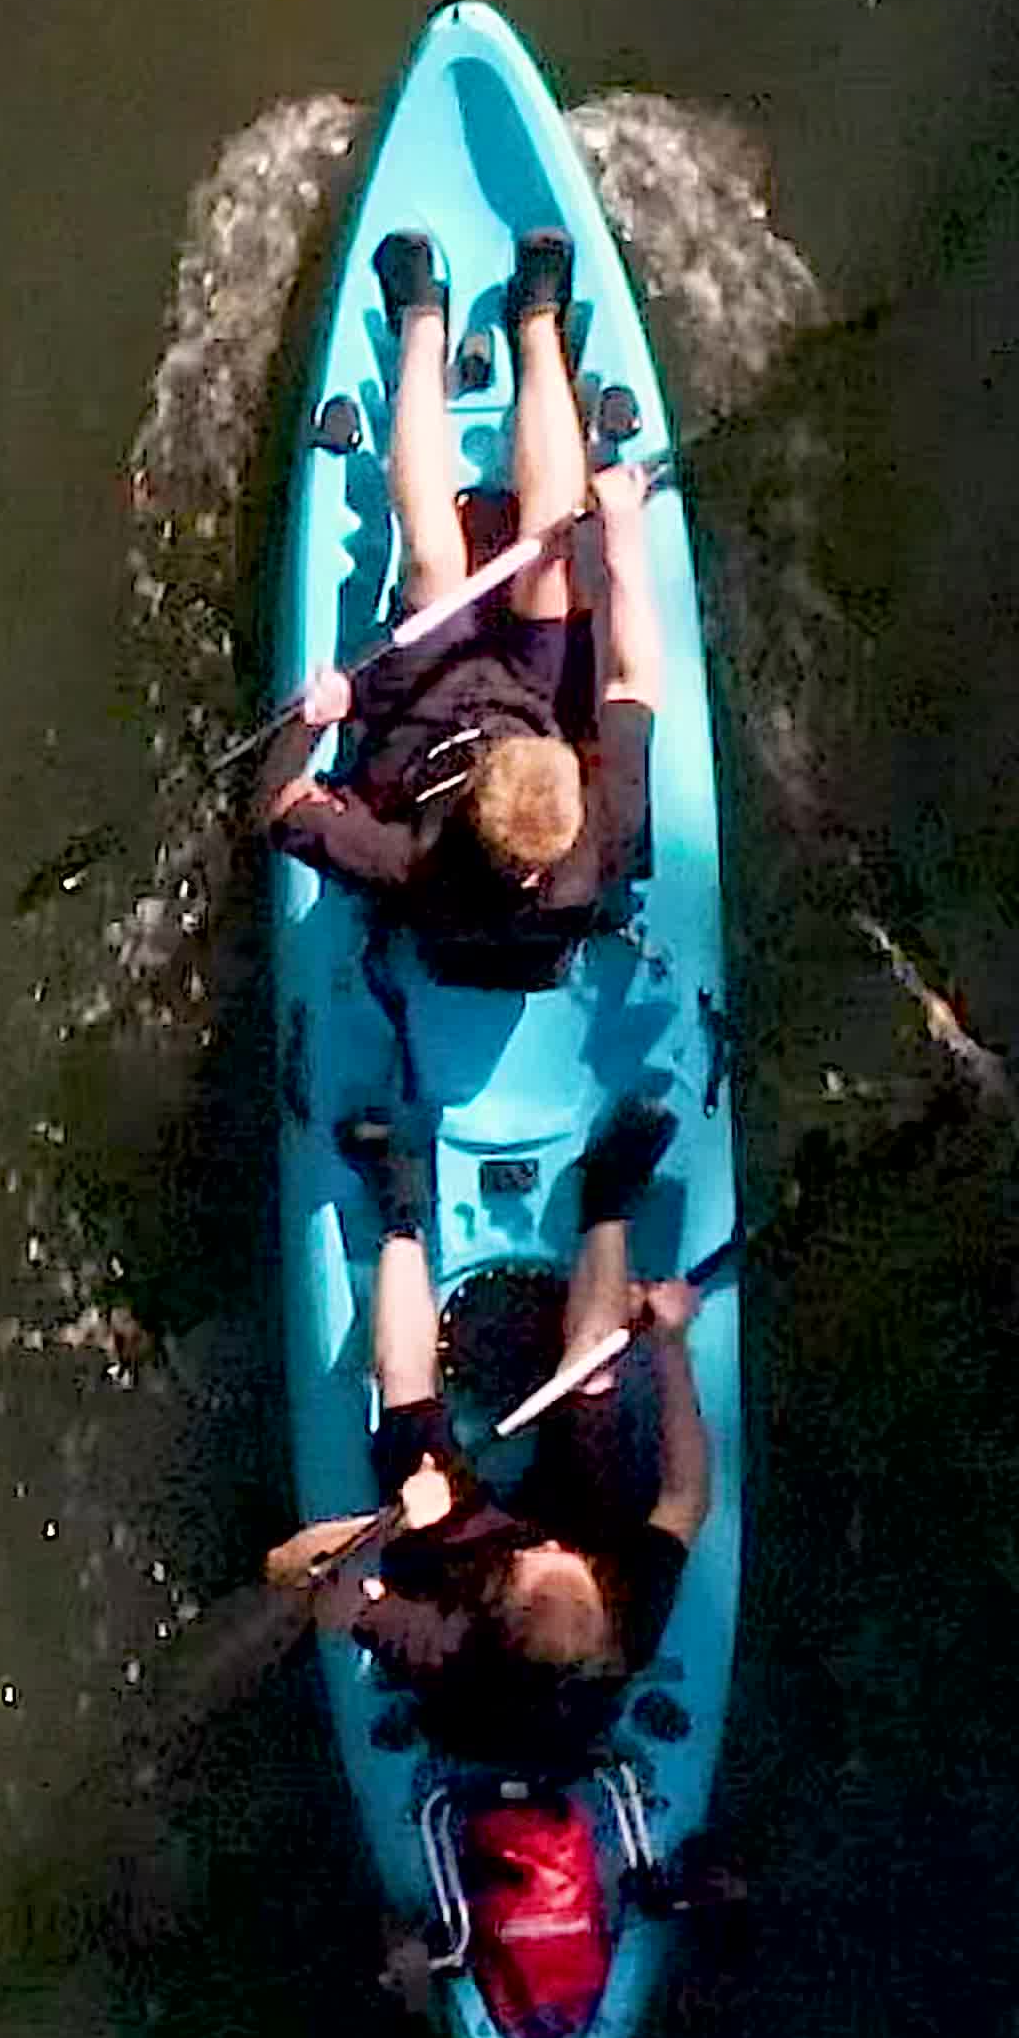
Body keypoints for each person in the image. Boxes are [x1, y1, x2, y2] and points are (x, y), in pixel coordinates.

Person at [253, 226, 663, 988]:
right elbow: (632, 672)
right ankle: (536, 323)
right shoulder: (606, 829)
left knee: (436, 564)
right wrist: (621, 537)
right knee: (550, 544)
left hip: (429, 719)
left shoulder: (416, 863)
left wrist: (317, 717)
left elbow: (278, 807)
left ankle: (420, 320)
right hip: (537, 697)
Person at [262, 1093, 712, 1773]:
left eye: (544, 1558)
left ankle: (402, 1210)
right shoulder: (623, 1626)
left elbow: (296, 1577)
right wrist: (672, 1343)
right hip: (561, 1561)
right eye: (574, 1563)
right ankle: (607, 1198)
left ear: (494, 1604)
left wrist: (393, 1524)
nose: (551, 1543)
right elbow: (686, 1496)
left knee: (406, 1393)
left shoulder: (444, 1644)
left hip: (460, 1569)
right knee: (594, 1365)